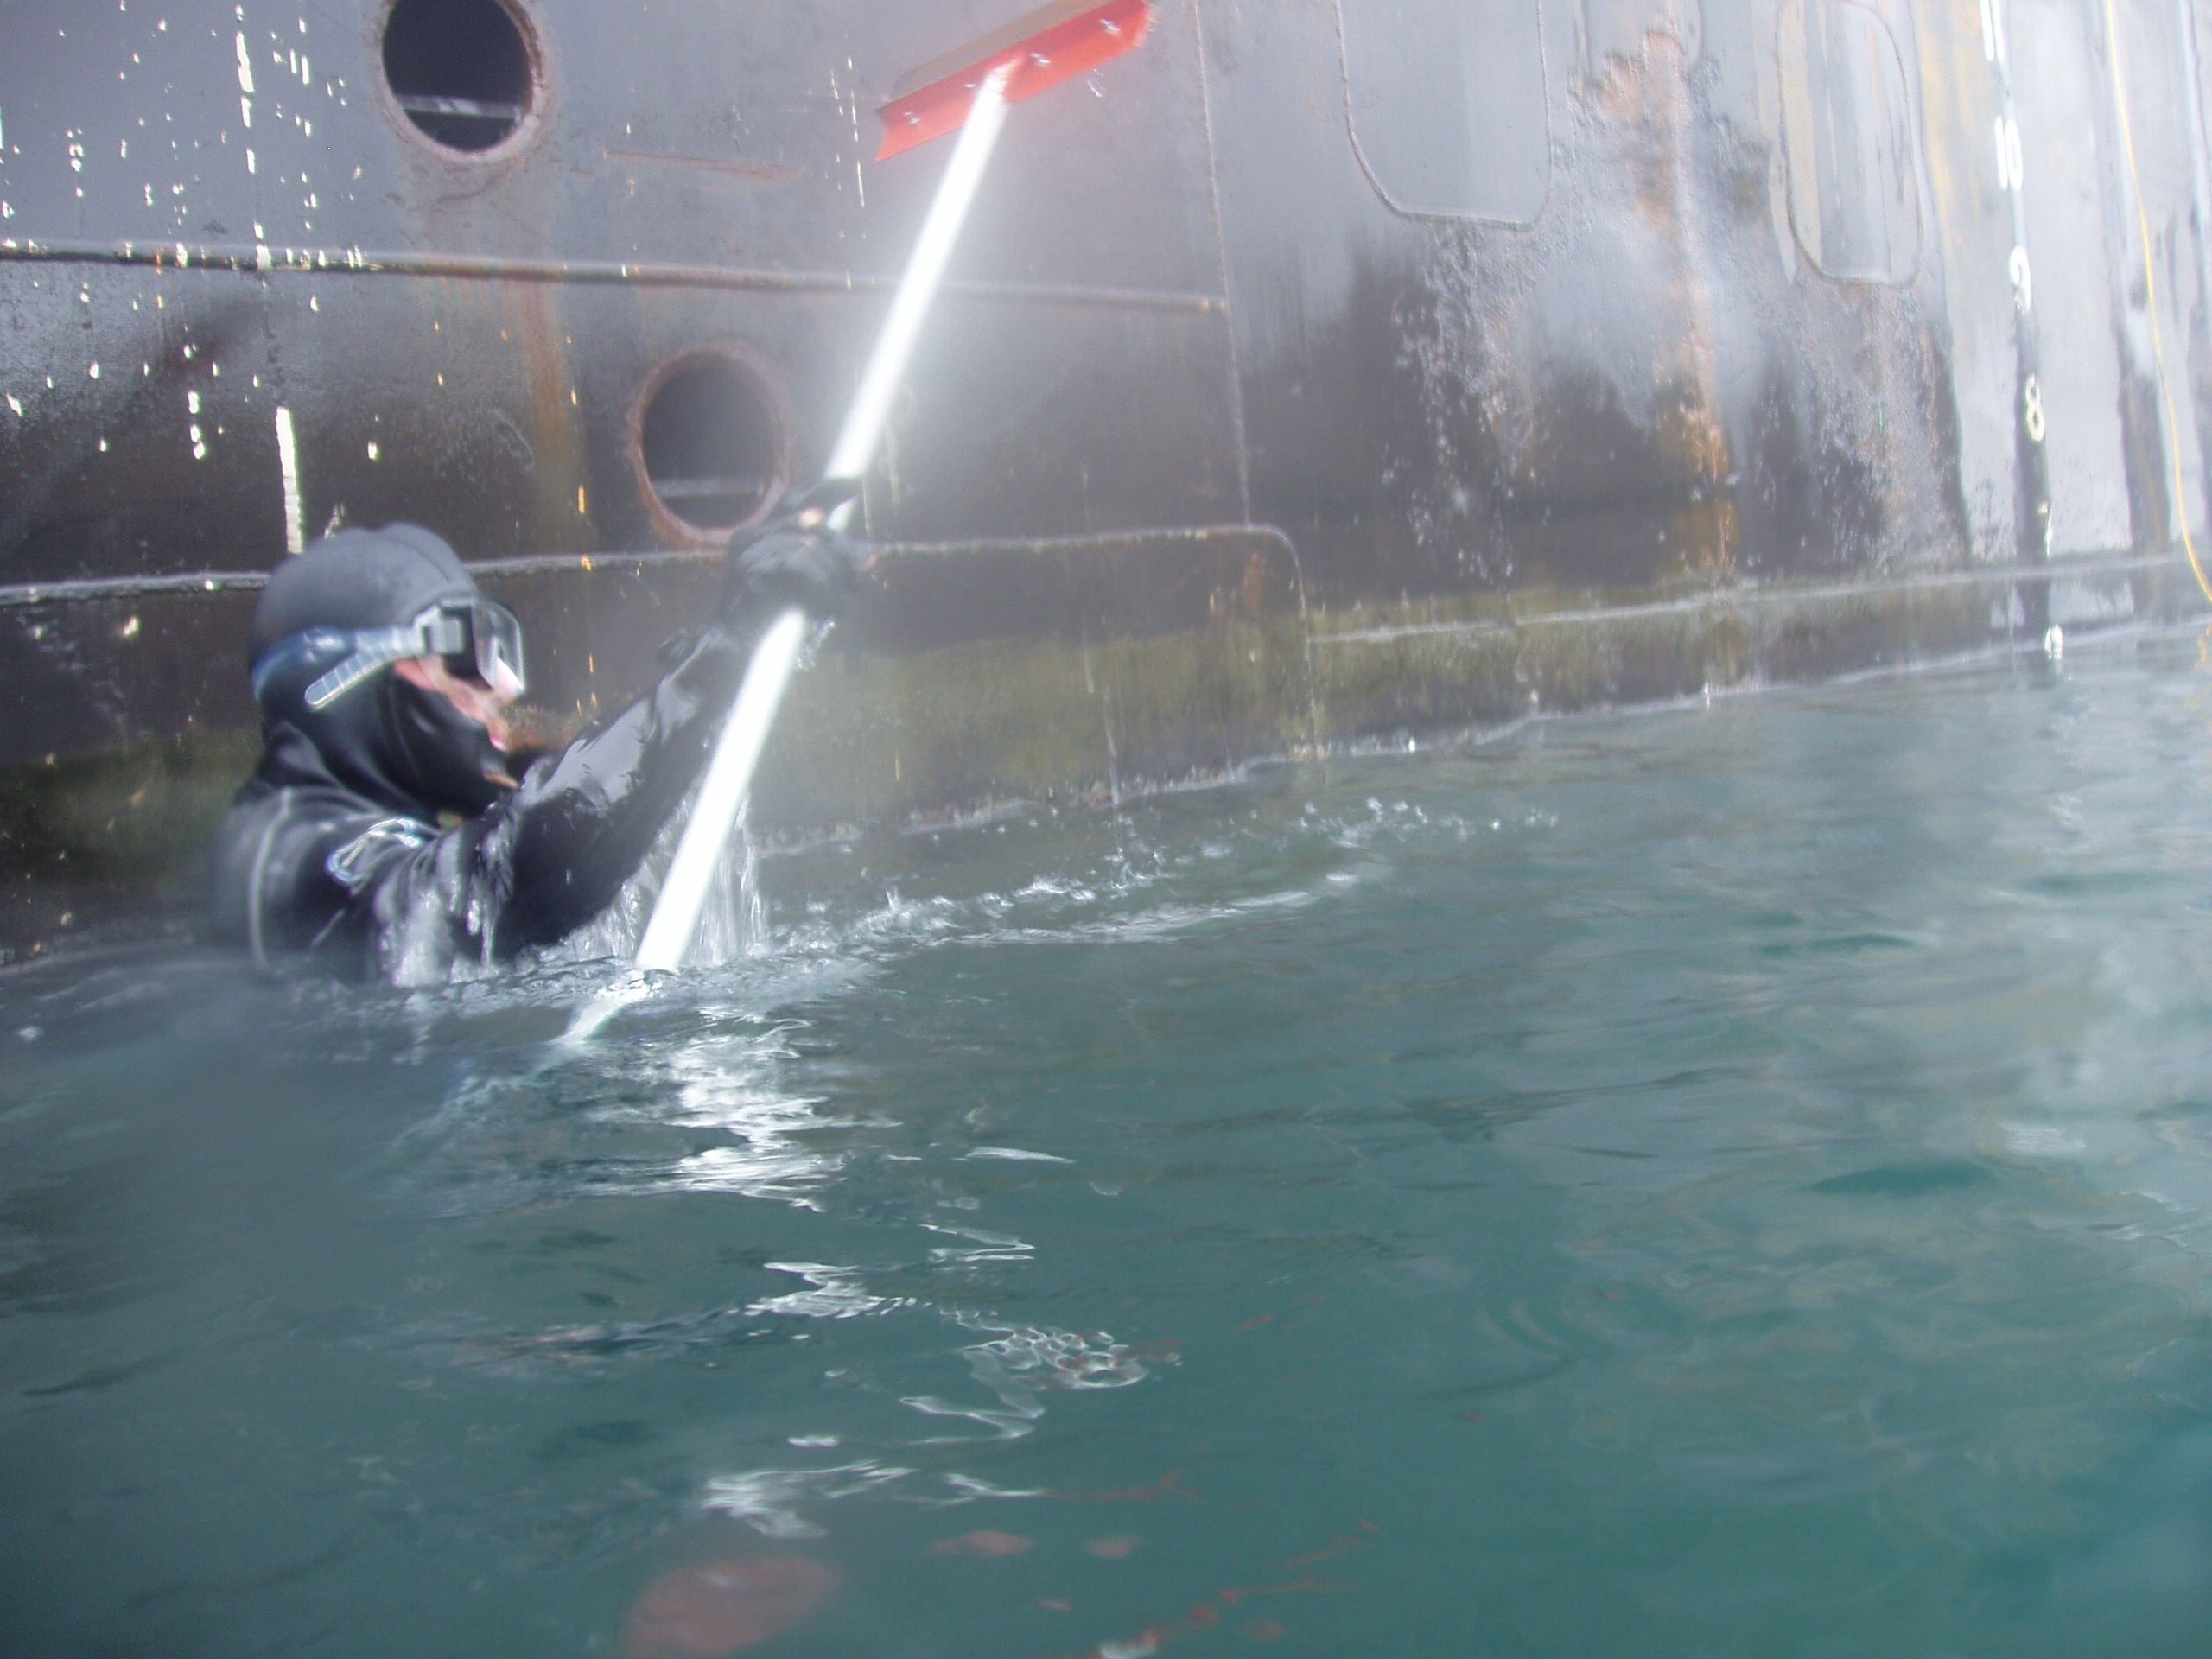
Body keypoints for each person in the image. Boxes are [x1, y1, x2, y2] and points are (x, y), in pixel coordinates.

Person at [209, 493, 865, 980]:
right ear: (346, 681)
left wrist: (690, 715)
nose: (502, 687)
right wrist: (712, 666)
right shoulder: (282, 859)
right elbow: (486, 892)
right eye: (466, 654)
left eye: (502, 654)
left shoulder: (300, 826)